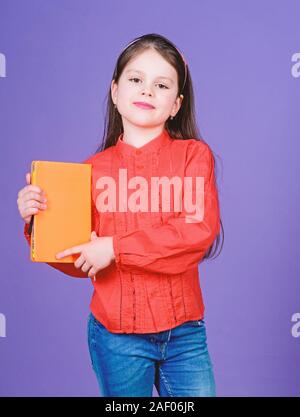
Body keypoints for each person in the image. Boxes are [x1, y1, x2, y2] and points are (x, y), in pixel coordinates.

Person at [17, 33, 224, 397]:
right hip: (116, 337)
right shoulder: (90, 171)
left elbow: (195, 232)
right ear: (115, 92)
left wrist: (114, 247)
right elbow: (78, 257)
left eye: (161, 85)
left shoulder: (194, 156)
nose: (147, 91)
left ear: (175, 105)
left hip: (184, 333)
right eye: (135, 79)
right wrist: (38, 221)